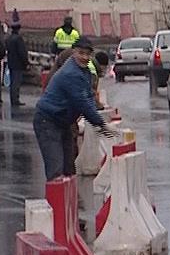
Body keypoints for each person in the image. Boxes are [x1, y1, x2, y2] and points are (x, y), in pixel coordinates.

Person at [33, 37, 118, 181]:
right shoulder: (71, 73)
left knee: (69, 169)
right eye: (81, 53)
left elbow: (88, 96)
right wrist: (102, 125)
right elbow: (83, 103)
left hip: (63, 121)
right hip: (47, 121)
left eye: (87, 54)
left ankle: (69, 202)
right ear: (73, 52)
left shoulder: (83, 71)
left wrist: (99, 116)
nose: (84, 57)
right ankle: (56, 201)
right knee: (56, 170)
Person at [5, 22, 29, 106]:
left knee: (12, 82)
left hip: (11, 62)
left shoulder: (8, 38)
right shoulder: (18, 39)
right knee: (16, 82)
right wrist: (26, 62)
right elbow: (22, 52)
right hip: (18, 64)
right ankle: (15, 99)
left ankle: (13, 98)